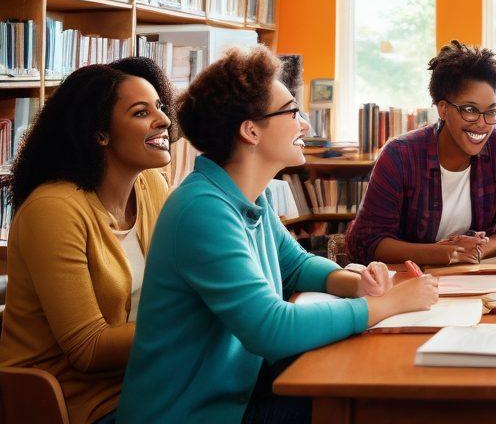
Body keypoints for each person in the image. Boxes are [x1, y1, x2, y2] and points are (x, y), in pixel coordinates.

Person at [118, 46, 438, 424]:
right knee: (381, 405)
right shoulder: (202, 210)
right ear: (250, 130)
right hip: (196, 413)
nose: (305, 125)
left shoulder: (248, 195)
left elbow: (297, 265)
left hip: (239, 394)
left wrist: (358, 285)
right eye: (291, 113)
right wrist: (388, 305)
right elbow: (270, 329)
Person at [0, 58, 174, 424]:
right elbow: (89, 349)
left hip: (151, 382)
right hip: (82, 404)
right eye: (142, 112)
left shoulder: (151, 187)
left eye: (160, 107)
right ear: (100, 133)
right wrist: (191, 320)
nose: (164, 120)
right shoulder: (54, 209)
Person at [346, 40, 496, 265]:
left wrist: (480, 249)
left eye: (491, 112)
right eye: (470, 110)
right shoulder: (400, 155)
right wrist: (443, 253)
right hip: (410, 280)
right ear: (443, 109)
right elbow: (367, 242)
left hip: (473, 275)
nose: (483, 124)